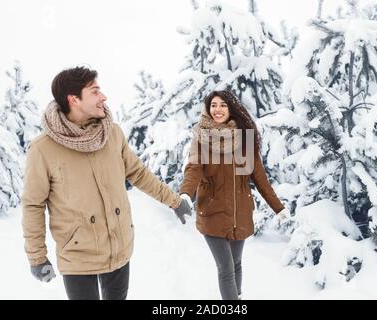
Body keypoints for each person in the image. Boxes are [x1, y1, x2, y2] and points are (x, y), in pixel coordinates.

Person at [21, 66, 192, 300]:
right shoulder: (43, 149)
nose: (103, 97)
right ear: (74, 99)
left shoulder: (112, 134)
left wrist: (174, 201)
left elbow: (139, 174)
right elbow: (33, 204)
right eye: (95, 91)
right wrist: (37, 257)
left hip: (118, 246)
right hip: (78, 254)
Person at [179, 90, 290, 300]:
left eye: (222, 105)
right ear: (207, 108)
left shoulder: (244, 140)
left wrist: (279, 207)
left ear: (231, 109)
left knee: (236, 264)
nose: (217, 109)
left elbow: (260, 179)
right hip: (213, 213)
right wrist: (185, 195)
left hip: (240, 215)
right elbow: (193, 170)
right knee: (226, 269)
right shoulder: (202, 139)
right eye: (213, 105)